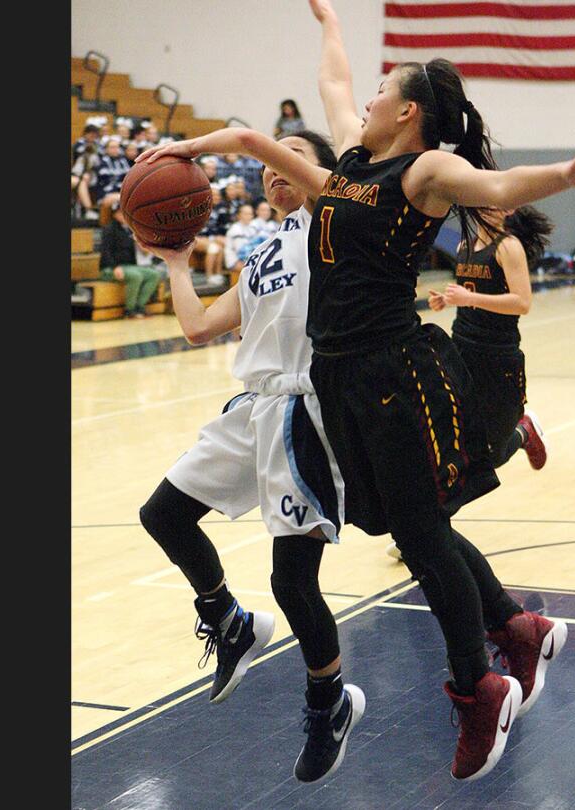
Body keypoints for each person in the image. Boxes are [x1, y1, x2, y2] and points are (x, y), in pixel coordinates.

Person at [299, 0, 575, 781]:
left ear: (408, 111)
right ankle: (515, 626)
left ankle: (481, 686)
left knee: (418, 534)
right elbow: (335, 86)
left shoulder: (425, 170)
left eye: (384, 89)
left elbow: (500, 179)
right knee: (404, 528)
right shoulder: (350, 160)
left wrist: (567, 175)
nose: (368, 98)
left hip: (391, 372)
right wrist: (330, 26)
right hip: (337, 371)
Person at [134, 130, 368, 785]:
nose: (271, 172)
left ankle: (330, 706)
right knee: (164, 515)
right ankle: (228, 622)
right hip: (255, 405)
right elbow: (199, 327)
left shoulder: (338, 223)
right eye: (264, 167)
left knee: (292, 583)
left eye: (285, 157)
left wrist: (241, 141)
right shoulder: (263, 248)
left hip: (310, 411)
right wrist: (176, 264)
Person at [430, 205, 554, 471]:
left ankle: (524, 431)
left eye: (492, 205)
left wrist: (469, 298)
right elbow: (472, 291)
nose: (485, 209)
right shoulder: (465, 245)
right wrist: (447, 299)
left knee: (492, 456)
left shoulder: (508, 247)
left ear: (507, 209)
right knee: (456, 437)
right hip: (461, 348)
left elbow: (522, 302)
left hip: (497, 357)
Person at [100, 203, 163, 319]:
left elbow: (143, 250)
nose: (123, 216)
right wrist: (114, 267)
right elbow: (105, 252)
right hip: (110, 268)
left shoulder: (130, 230)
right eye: (120, 213)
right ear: (114, 215)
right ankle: (129, 310)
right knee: (135, 276)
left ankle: (140, 306)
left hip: (130, 266)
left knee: (154, 275)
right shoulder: (109, 229)